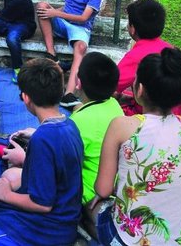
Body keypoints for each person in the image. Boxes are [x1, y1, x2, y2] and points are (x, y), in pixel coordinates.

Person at [91, 48, 181, 245]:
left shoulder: (122, 126)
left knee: (93, 206)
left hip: (129, 240)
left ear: (139, 90)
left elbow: (103, 190)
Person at [0, 58, 84, 246]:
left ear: (26, 98)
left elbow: (43, 204)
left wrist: (5, 194)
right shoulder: (71, 125)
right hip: (66, 221)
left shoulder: (43, 139)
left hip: (48, 230)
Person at [36, 0, 109, 108]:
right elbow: (66, 7)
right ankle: (52, 54)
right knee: (42, 6)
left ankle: (68, 94)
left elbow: (83, 18)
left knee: (81, 47)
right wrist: (53, 12)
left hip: (80, 27)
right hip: (63, 23)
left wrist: (56, 13)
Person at [68, 52, 123, 236]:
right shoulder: (114, 104)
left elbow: (64, 161)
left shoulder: (78, 122)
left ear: (78, 83)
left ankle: (87, 222)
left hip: (93, 194)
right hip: (120, 187)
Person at [115, 0, 181, 116]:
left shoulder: (135, 56)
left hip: (148, 115)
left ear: (132, 28)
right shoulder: (171, 50)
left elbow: (110, 85)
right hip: (174, 112)